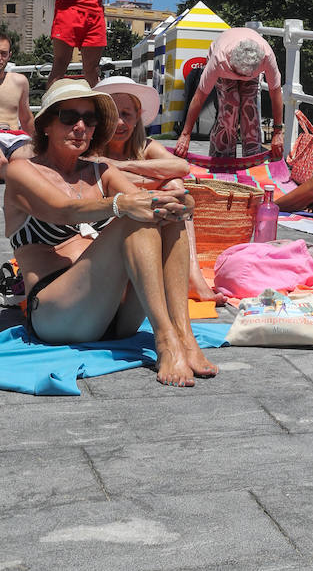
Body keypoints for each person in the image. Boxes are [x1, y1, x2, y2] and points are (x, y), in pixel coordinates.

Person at [3, 78, 218, 387]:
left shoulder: (100, 172)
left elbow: (149, 205)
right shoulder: (22, 170)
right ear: (47, 124)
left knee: (163, 215)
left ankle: (184, 336)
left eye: (89, 120)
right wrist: (122, 204)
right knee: (132, 215)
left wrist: (182, 204)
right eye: (69, 117)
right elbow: (63, 210)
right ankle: (165, 341)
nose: (80, 126)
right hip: (58, 314)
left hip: (116, 317)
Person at [93, 75, 226, 304]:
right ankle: (186, 278)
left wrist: (123, 165)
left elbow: (181, 167)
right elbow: (103, 178)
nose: (119, 123)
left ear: (137, 118)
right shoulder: (90, 146)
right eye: (112, 115)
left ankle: (192, 276)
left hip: (147, 216)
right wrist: (153, 179)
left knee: (175, 185)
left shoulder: (144, 146)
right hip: (107, 226)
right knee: (172, 187)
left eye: (126, 115)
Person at [174, 28, 284, 163]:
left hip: (251, 70)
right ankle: (221, 159)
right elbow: (199, 97)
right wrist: (185, 134)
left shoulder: (266, 57)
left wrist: (278, 132)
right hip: (225, 69)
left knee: (249, 109)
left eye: (244, 76)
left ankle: (252, 158)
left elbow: (275, 92)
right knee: (230, 107)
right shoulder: (218, 60)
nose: (241, 79)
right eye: (239, 75)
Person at [0, 34, 33, 180]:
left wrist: (39, 144)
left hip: (15, 137)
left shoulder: (20, 81)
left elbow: (26, 118)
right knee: (1, 162)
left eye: (3, 53)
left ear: (9, 55)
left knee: (33, 160)